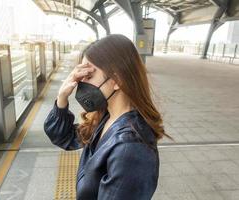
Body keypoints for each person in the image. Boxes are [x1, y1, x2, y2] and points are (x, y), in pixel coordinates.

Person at [43, 34, 172, 200]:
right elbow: (64, 137)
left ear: (117, 80)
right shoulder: (106, 117)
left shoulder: (131, 148)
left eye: (88, 76)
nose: (80, 83)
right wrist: (62, 97)